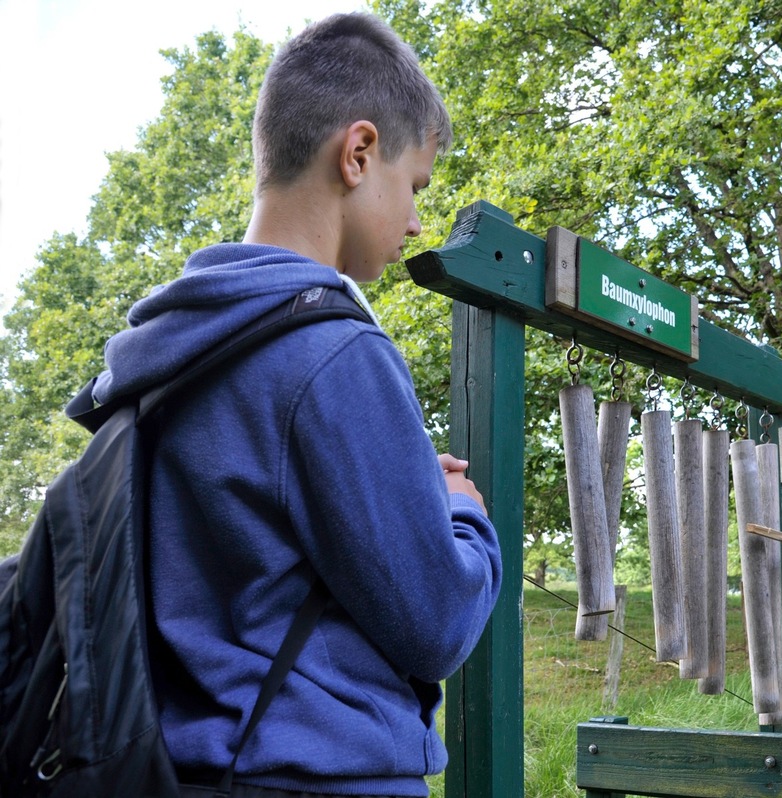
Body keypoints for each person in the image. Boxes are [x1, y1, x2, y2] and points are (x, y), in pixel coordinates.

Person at [89, 13, 502, 797]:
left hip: (175, 771)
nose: (417, 221)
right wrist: (459, 511)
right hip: (320, 775)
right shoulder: (336, 353)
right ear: (357, 154)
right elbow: (437, 623)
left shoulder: (166, 356)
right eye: (414, 185)